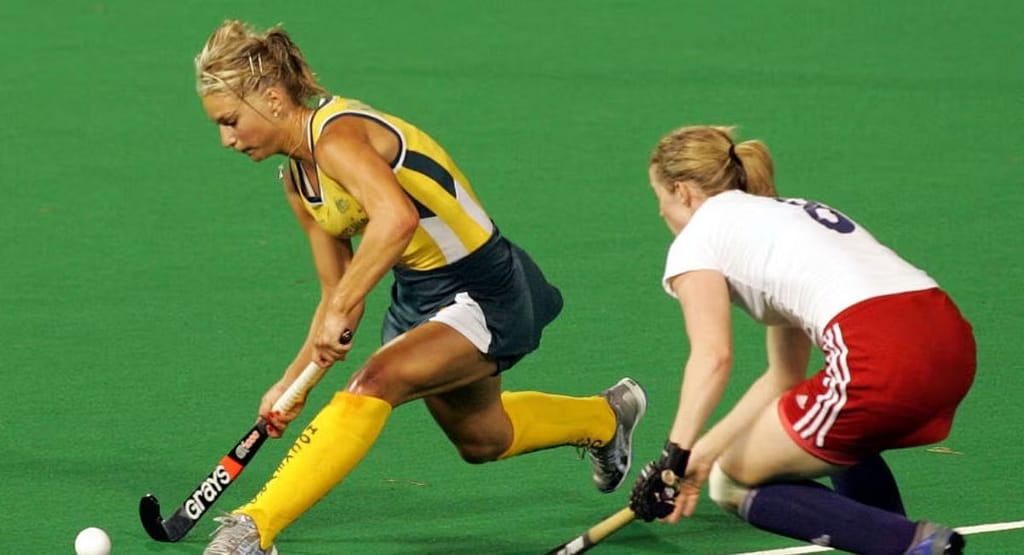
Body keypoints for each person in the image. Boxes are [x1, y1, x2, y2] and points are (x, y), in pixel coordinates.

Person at [192, 20, 647, 555]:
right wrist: (291, 385)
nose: (227, 139)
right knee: (482, 438)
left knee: (375, 380)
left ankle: (254, 527)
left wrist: (343, 305)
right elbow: (336, 293)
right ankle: (605, 416)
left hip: (481, 283)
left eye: (231, 121)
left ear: (271, 98)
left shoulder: (338, 136)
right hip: (419, 293)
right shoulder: (297, 179)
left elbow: (395, 220)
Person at [627, 125, 975, 554]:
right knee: (834, 440)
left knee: (732, 482)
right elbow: (783, 379)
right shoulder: (779, 217)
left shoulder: (697, 238)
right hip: (949, 339)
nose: (661, 212)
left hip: (878, 356)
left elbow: (712, 357)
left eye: (658, 197)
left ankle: (912, 545)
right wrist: (698, 455)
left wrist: (671, 458)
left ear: (681, 191)